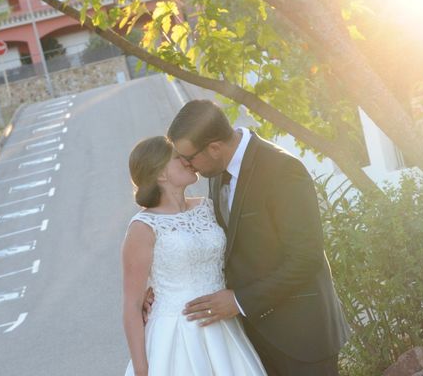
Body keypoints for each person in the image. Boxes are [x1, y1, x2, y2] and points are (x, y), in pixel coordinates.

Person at [166, 100, 351, 376]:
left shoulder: (283, 169)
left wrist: (240, 301)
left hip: (302, 338)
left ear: (214, 147)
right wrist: (164, 284)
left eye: (188, 158)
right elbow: (225, 247)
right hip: (253, 339)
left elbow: (306, 258)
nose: (185, 165)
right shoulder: (215, 171)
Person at [122, 136, 266, 376]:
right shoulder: (142, 227)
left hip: (225, 327)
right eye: (178, 158)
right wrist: (141, 370)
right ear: (160, 174)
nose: (189, 161)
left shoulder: (207, 207)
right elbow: (131, 306)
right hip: (176, 336)